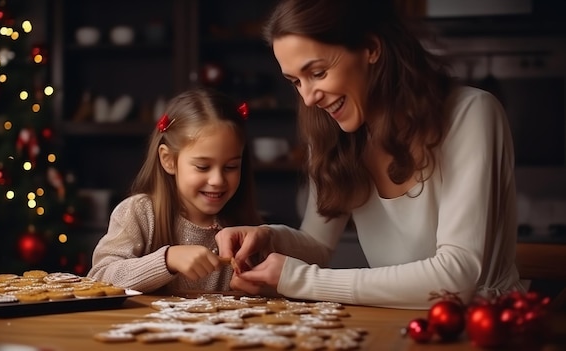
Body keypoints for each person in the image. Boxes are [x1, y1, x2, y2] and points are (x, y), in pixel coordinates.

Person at [215, 0, 525, 309]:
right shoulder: (334, 135)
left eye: (318, 72)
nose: (308, 98)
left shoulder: (470, 114)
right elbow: (318, 244)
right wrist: (269, 238)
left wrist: (299, 278)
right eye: (296, 81)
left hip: (485, 329)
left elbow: (457, 276)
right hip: (392, 326)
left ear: (371, 48)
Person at [88, 87, 262, 294]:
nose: (217, 180)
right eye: (202, 167)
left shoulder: (244, 225)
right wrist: (168, 259)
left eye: (231, 167)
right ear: (168, 160)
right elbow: (99, 277)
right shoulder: (140, 213)